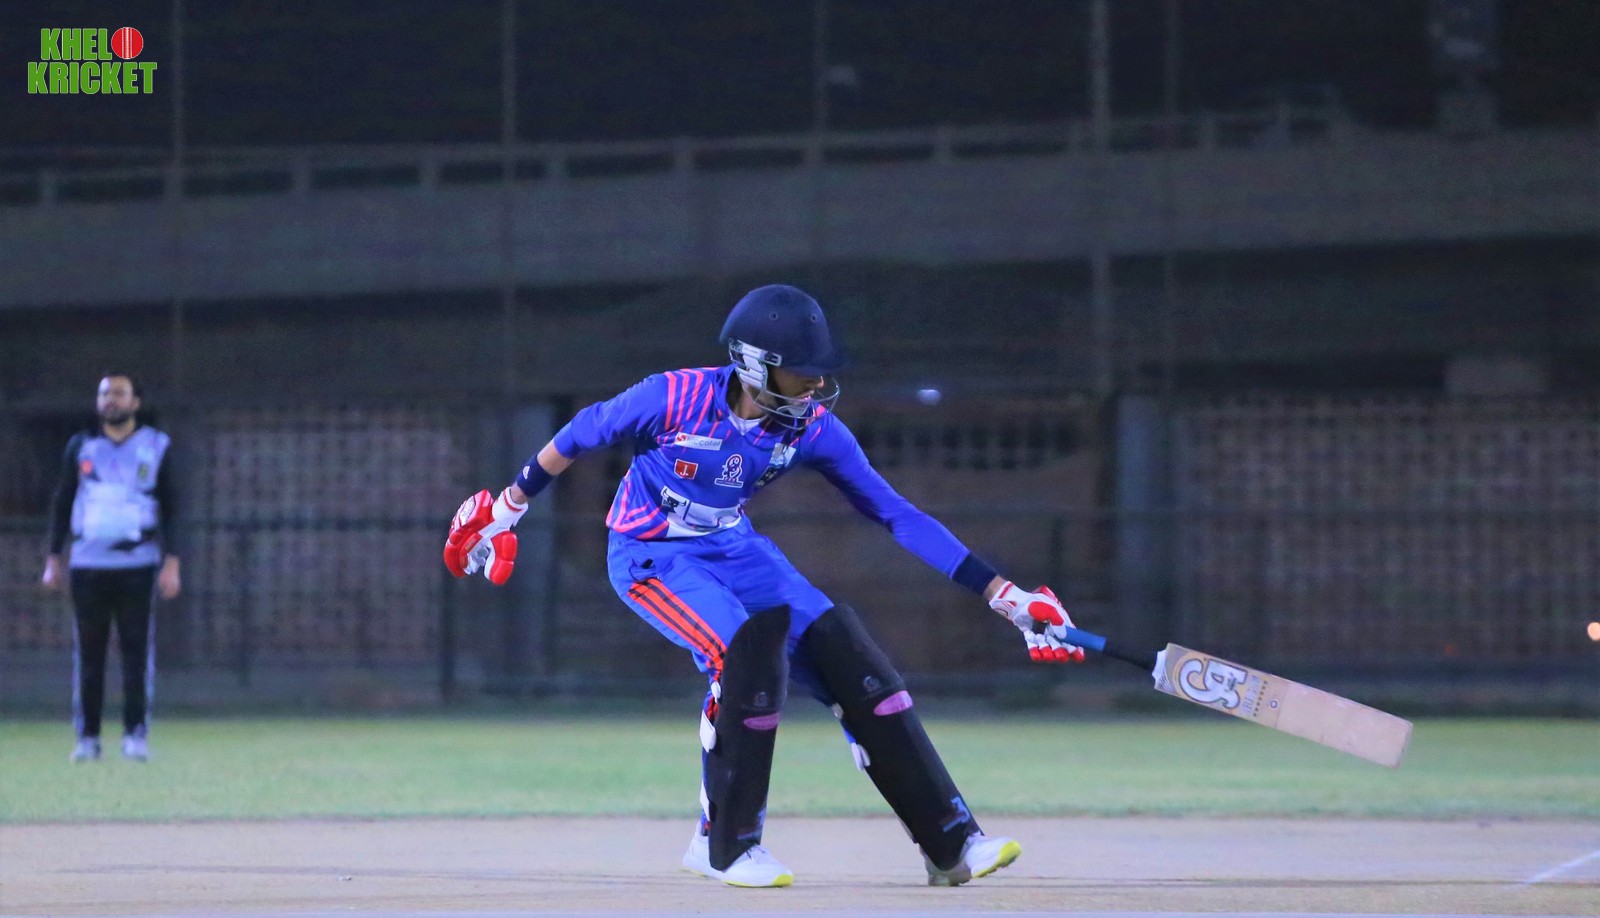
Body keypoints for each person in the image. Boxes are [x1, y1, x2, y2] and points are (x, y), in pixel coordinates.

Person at [444, 285, 1086, 888]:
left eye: (821, 370)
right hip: (650, 554)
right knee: (745, 657)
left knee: (856, 663)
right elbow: (584, 429)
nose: (818, 382)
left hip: (735, 547)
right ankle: (721, 846)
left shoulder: (813, 429)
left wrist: (1003, 594)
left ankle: (950, 844)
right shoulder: (673, 397)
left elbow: (896, 514)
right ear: (755, 364)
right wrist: (509, 505)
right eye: (804, 369)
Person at [42, 374, 181, 763]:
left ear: (135, 402)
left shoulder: (155, 445)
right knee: (90, 654)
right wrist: (53, 557)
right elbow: (63, 500)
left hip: (138, 565)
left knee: (136, 653)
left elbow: (171, 506)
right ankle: (88, 737)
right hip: (89, 564)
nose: (110, 400)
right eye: (104, 394)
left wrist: (172, 562)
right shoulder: (81, 445)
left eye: (119, 393)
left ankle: (135, 734)